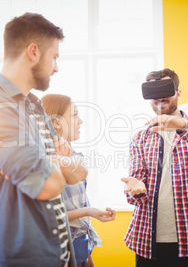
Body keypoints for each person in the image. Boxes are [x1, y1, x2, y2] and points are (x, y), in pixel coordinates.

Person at [0, 13, 88, 266]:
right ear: (33, 52)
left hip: (57, 256)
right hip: (16, 258)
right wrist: (57, 162)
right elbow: (47, 186)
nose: (56, 67)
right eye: (54, 57)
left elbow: (80, 174)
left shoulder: (35, 107)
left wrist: (48, 161)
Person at [121, 68, 188, 267]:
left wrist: (184, 127)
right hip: (148, 241)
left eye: (166, 92)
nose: (160, 98)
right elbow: (134, 192)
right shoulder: (140, 138)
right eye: (154, 94)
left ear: (178, 93)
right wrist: (135, 190)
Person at [42, 94, 116, 267]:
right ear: (57, 123)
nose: (80, 121)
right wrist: (89, 211)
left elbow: (78, 208)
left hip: (80, 248)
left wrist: (88, 257)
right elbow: (49, 218)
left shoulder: (75, 158)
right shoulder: (45, 163)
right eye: (74, 115)